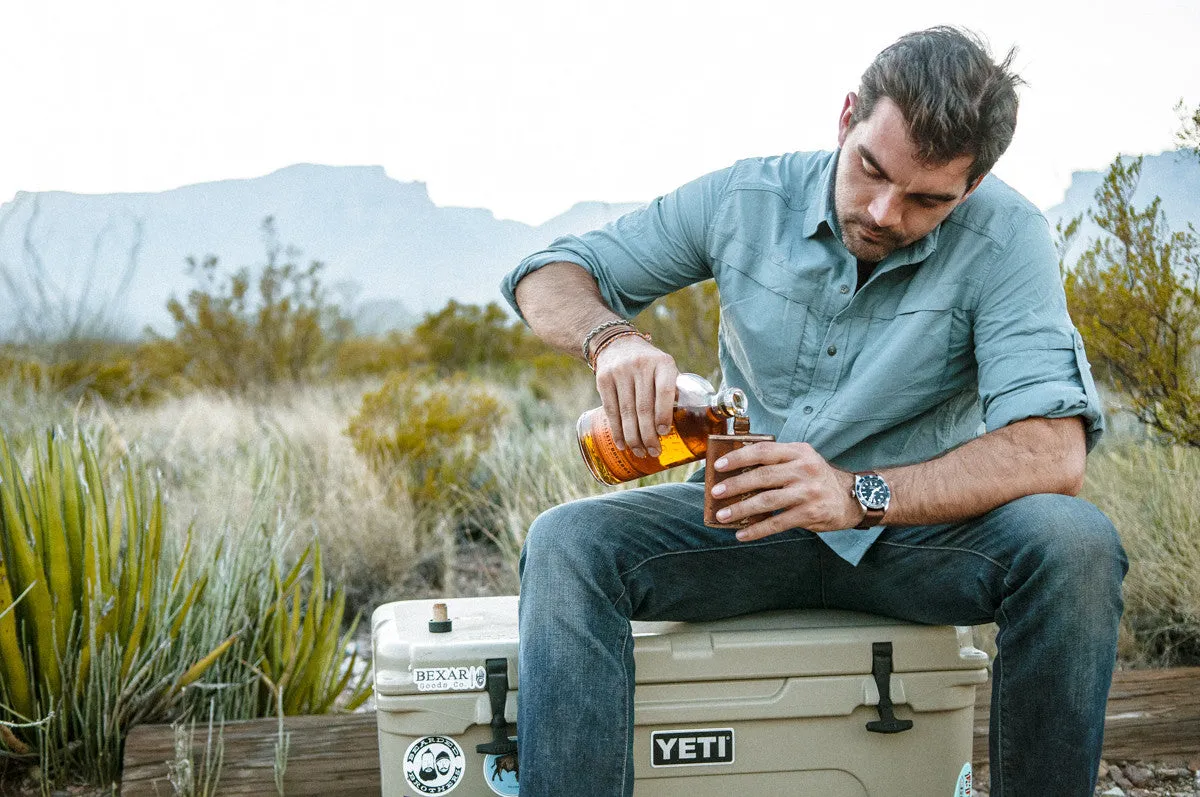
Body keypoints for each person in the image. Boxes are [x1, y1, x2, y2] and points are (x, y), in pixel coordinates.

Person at [499, 26, 1127, 797]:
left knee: (1076, 544)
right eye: (871, 169)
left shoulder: (1009, 237)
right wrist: (611, 339)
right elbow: (547, 273)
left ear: (972, 186)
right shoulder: (745, 198)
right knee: (566, 542)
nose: (886, 212)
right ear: (846, 118)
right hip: (744, 523)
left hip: (912, 538)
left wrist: (856, 494)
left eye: (929, 198)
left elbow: (1051, 450)